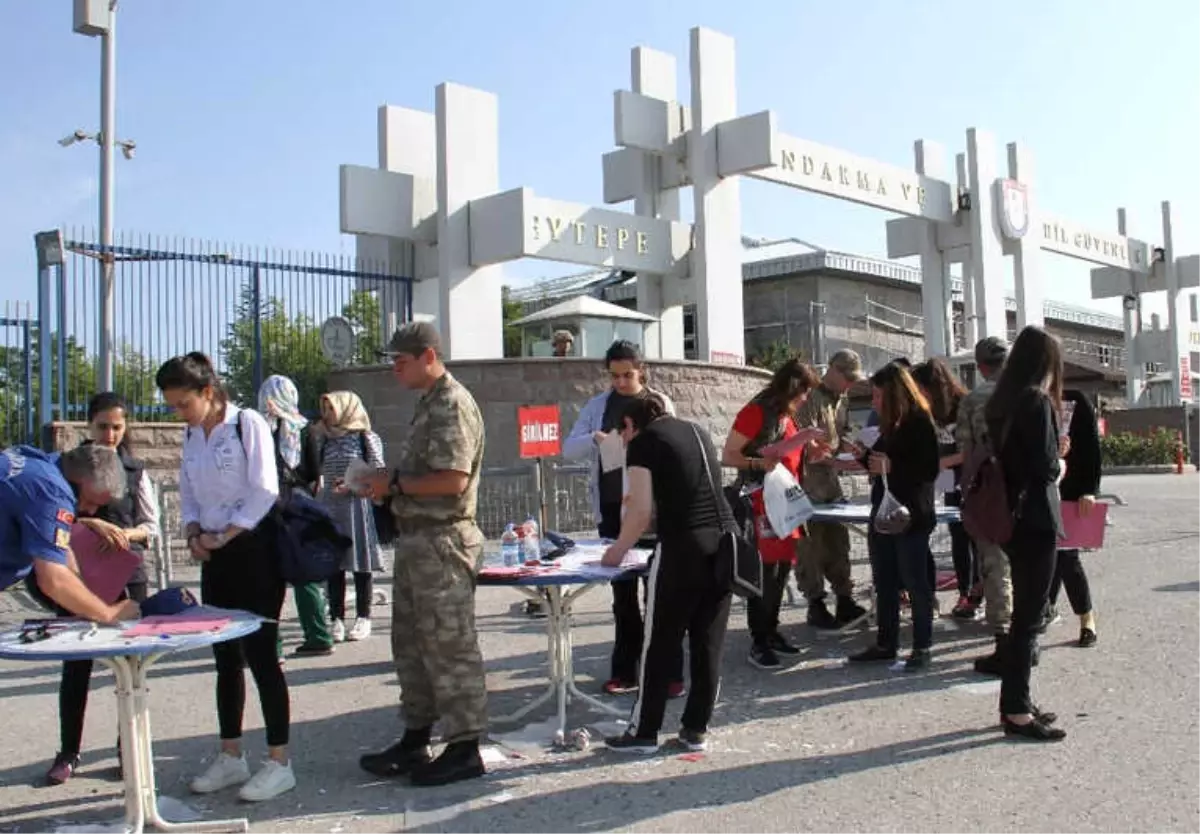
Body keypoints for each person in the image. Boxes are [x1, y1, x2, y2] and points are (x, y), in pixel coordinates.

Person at [156, 352, 296, 800]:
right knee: (224, 659)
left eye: (183, 404)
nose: (179, 413)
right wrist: (194, 531)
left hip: (254, 549)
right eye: (173, 406)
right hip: (214, 553)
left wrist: (229, 533)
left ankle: (279, 761)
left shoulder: (246, 423)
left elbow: (265, 487)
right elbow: (189, 492)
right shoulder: (192, 435)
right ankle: (231, 755)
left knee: (261, 655)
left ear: (208, 393)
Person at [356, 322, 488, 787]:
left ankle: (465, 747)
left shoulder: (451, 403)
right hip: (419, 540)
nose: (394, 368)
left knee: (448, 647)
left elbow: (451, 480)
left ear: (428, 356)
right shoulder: (429, 403)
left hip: (443, 540)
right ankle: (416, 740)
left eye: (401, 360)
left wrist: (391, 483)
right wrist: (386, 485)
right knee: (412, 647)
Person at [602, 396, 732, 753]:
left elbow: (641, 511)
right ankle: (696, 729)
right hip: (725, 544)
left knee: (659, 640)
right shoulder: (697, 431)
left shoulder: (644, 443)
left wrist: (616, 551)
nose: (623, 442)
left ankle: (644, 731)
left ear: (629, 425)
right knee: (708, 642)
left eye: (621, 435)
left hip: (682, 549)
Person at [44, 392, 160, 785]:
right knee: (75, 668)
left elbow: (151, 527)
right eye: (102, 426)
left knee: (130, 671)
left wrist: (122, 533)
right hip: (76, 580)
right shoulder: (68, 468)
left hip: (127, 581)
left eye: (117, 426)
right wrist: (91, 525)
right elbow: (56, 517)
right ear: (88, 426)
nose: (110, 434)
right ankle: (68, 751)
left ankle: (127, 750)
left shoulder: (136, 469)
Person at [562, 340, 684, 696]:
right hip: (614, 510)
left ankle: (667, 672)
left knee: (661, 594)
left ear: (641, 370)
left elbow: (673, 446)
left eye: (627, 375)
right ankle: (625, 670)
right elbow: (569, 447)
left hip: (655, 511)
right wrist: (595, 438)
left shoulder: (659, 402)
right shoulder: (598, 406)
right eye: (614, 376)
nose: (620, 382)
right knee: (623, 597)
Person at [985, 325, 1067, 742]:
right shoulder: (1035, 401)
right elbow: (1046, 467)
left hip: (1011, 518)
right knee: (1029, 618)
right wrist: (1061, 459)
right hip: (1035, 518)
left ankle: (1017, 701)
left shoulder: (1001, 402)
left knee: (1025, 615)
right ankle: (1015, 709)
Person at [721, 358, 822, 670]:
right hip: (760, 501)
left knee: (780, 571)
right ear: (793, 387)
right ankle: (759, 640)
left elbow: (787, 451)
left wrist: (811, 448)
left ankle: (771, 630)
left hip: (783, 501)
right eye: (804, 391)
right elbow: (728, 455)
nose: (806, 398)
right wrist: (756, 464)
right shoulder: (757, 410)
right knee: (764, 573)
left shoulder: (784, 413)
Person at [848, 362, 941, 671]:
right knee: (884, 581)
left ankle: (922, 646)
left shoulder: (920, 422)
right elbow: (880, 463)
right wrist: (861, 455)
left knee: (916, 583)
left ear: (895, 394)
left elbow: (928, 470)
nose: (873, 402)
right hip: (884, 513)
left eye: (878, 395)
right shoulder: (893, 424)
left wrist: (890, 466)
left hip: (911, 514)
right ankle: (886, 643)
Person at [1, 442, 138, 625]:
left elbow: (61, 548)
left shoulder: (38, 463)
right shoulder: (52, 491)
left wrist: (82, 594)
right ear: (80, 482)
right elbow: (53, 579)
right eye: (90, 502)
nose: (90, 511)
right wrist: (108, 614)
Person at [258, 375, 335, 658]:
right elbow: (315, 473)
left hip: (266, 505)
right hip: (300, 505)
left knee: (268, 576)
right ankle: (318, 635)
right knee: (305, 574)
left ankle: (270, 645)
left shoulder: (258, 429)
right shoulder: (308, 430)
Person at [792, 349, 868, 628]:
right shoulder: (809, 397)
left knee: (838, 543)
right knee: (809, 547)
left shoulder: (840, 399)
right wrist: (837, 461)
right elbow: (803, 443)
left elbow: (842, 432)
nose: (849, 383)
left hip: (830, 484)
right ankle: (816, 603)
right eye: (846, 377)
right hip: (808, 484)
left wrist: (852, 448)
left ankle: (844, 598)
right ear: (833, 370)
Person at [956, 337, 1015, 676]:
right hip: (1030, 488)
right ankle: (1029, 637)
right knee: (1030, 564)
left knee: (995, 564)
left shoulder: (974, 399)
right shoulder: (1031, 392)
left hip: (992, 487)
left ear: (980, 366)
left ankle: (1004, 639)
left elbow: (967, 453)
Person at [316, 391, 386, 642]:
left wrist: (351, 484)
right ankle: (336, 619)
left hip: (356, 506)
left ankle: (363, 618)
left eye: (331, 409)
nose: (327, 415)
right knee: (334, 565)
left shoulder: (365, 437)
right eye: (325, 409)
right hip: (330, 507)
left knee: (360, 563)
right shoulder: (325, 438)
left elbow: (379, 472)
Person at [911, 358, 977, 618]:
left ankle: (977, 591)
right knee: (957, 533)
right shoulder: (928, 411)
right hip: (946, 478)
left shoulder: (963, 405)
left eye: (920, 389)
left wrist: (938, 463)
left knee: (975, 536)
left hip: (970, 477)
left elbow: (971, 450)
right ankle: (964, 592)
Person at [1049, 389, 1100, 648]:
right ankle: (1046, 608)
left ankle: (1086, 617)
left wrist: (1090, 489)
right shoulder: (1027, 398)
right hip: (1040, 490)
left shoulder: (1075, 399)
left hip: (1071, 492)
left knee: (1067, 557)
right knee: (1047, 557)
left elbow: (1091, 446)